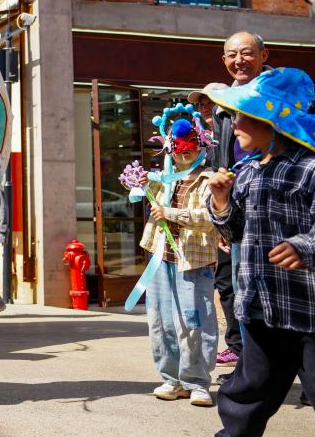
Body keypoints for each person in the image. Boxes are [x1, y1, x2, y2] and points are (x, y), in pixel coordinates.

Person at [205, 67, 315, 437]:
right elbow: (234, 233)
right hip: (261, 308)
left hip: (311, 312)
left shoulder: (312, 169)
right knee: (248, 393)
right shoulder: (247, 172)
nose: (235, 125)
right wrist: (221, 201)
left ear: (272, 122)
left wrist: (303, 246)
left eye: (243, 116)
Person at [136, 111, 219, 407]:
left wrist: (170, 214)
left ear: (201, 147)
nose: (185, 155)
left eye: (190, 148)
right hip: (161, 258)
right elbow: (145, 195)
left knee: (194, 323)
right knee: (161, 322)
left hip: (193, 261)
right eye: (179, 150)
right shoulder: (164, 179)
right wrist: (141, 183)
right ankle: (171, 379)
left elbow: (209, 218)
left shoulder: (209, 180)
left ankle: (196, 382)